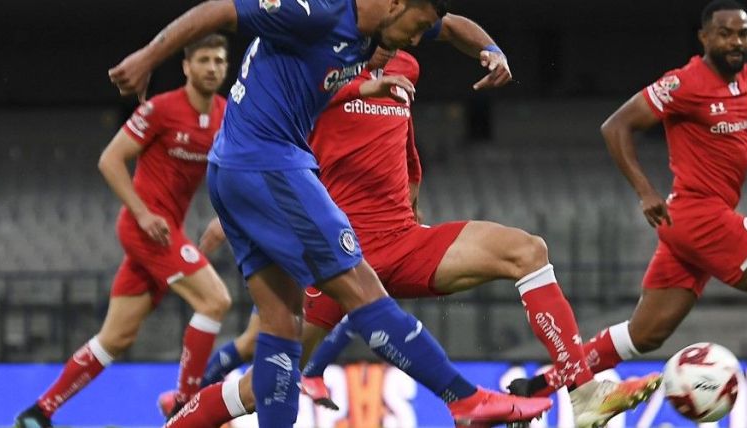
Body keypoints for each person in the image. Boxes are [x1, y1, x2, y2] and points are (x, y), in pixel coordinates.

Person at [108, 0, 553, 426]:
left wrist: (488, 49)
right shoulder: (317, 10)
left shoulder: (385, 20)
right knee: (362, 289)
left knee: (282, 327)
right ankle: (464, 400)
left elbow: (450, 27)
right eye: (417, 28)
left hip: (234, 168)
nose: (416, 40)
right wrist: (149, 58)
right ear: (395, 4)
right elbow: (221, 10)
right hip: (270, 163)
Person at [162, 51, 660, 428]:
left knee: (526, 250)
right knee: (263, 385)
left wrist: (413, 193)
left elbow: (404, 145)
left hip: (400, 240)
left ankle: (583, 391)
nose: (414, 33)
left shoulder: (406, 66)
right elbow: (266, 140)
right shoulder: (317, 64)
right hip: (335, 257)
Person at [505, 2, 747, 427]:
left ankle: (536, 387)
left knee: (644, 335)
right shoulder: (684, 83)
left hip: (691, 226)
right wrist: (645, 190)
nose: (736, 41)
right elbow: (615, 126)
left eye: (743, 33)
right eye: (726, 33)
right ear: (705, 37)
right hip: (699, 216)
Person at [14, 34, 234, 428]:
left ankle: (38, 412)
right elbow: (110, 160)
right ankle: (185, 406)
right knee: (215, 300)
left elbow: (240, 172)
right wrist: (143, 214)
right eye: (204, 60)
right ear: (186, 67)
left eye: (219, 60)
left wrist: (227, 219)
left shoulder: (227, 116)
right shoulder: (161, 109)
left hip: (167, 233)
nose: (212, 67)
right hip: (144, 229)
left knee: (115, 338)